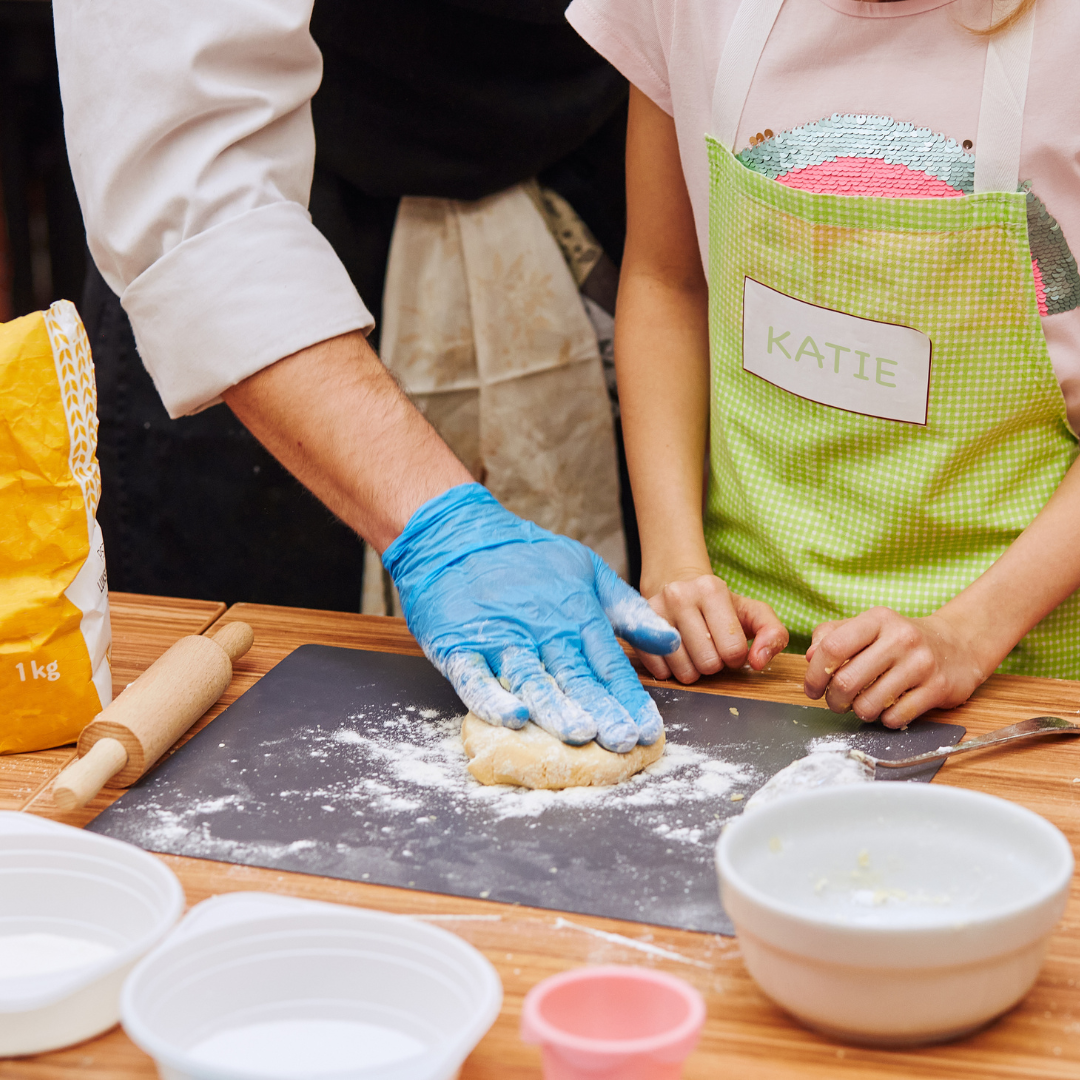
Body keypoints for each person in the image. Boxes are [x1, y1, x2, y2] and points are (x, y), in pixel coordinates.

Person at [51, 0, 687, 754]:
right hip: (277, 282)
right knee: (270, 751)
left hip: (596, 192)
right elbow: (192, 174)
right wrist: (445, 531)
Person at [566, 0, 1080, 728]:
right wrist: (678, 564)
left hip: (1020, 678)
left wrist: (970, 633)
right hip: (746, 660)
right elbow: (666, 283)